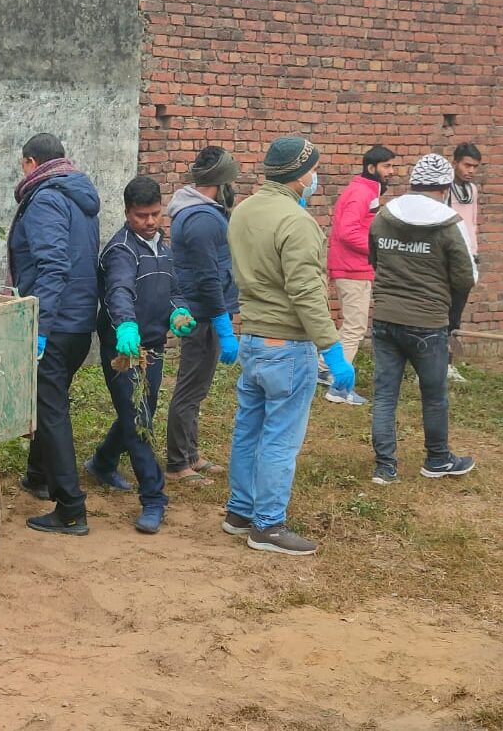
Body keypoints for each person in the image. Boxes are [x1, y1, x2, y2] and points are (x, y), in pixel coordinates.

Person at [224, 136, 354, 556]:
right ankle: (268, 526)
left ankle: (239, 512)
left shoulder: (242, 211)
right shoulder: (297, 223)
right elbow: (306, 293)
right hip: (289, 346)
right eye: (313, 169)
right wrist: (332, 349)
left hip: (254, 340)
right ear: (301, 175)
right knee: (280, 438)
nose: (316, 177)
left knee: (248, 430)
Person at [5, 133, 103, 536]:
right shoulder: (79, 196)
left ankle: (70, 508)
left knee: (51, 408)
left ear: (30, 163)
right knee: (52, 396)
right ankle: (37, 475)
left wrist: (39, 330)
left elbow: (53, 268)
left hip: (57, 321)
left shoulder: (45, 198)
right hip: (79, 321)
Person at [91, 177, 196, 534]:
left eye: (154, 214)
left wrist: (178, 312)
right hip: (126, 349)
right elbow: (118, 290)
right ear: (127, 213)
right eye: (141, 216)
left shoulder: (163, 248)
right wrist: (125, 326)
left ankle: (103, 462)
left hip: (153, 347)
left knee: (141, 412)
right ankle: (154, 498)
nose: (150, 222)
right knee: (139, 423)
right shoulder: (121, 250)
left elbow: (174, 291)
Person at [368, 154, 477, 485]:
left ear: (413, 183)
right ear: (445, 188)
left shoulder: (384, 216)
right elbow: (466, 277)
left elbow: (375, 258)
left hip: (385, 318)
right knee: (433, 393)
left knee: (385, 394)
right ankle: (437, 459)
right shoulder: (450, 223)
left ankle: (385, 468)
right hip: (428, 322)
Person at [165, 146, 241, 483]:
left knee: (196, 389)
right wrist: (223, 323)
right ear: (221, 184)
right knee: (190, 389)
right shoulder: (202, 220)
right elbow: (209, 277)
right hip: (202, 316)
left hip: (205, 312)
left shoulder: (199, 212)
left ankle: (191, 454)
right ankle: (178, 462)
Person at [321, 145, 398, 405]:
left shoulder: (367, 190)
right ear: (371, 167)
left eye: (392, 166)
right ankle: (338, 388)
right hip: (353, 268)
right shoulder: (362, 192)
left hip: (355, 267)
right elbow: (347, 231)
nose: (392, 171)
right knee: (355, 327)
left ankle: (323, 369)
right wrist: (378, 249)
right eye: (387, 166)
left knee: (351, 325)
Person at [445, 142, 483, 383]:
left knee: (456, 314)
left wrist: (475, 251)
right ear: (455, 163)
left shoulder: (473, 190)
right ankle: (432, 364)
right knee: (441, 312)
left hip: (468, 256)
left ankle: (448, 364)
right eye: (466, 165)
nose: (470, 170)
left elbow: (473, 222)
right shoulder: (445, 190)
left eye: (474, 166)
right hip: (448, 257)